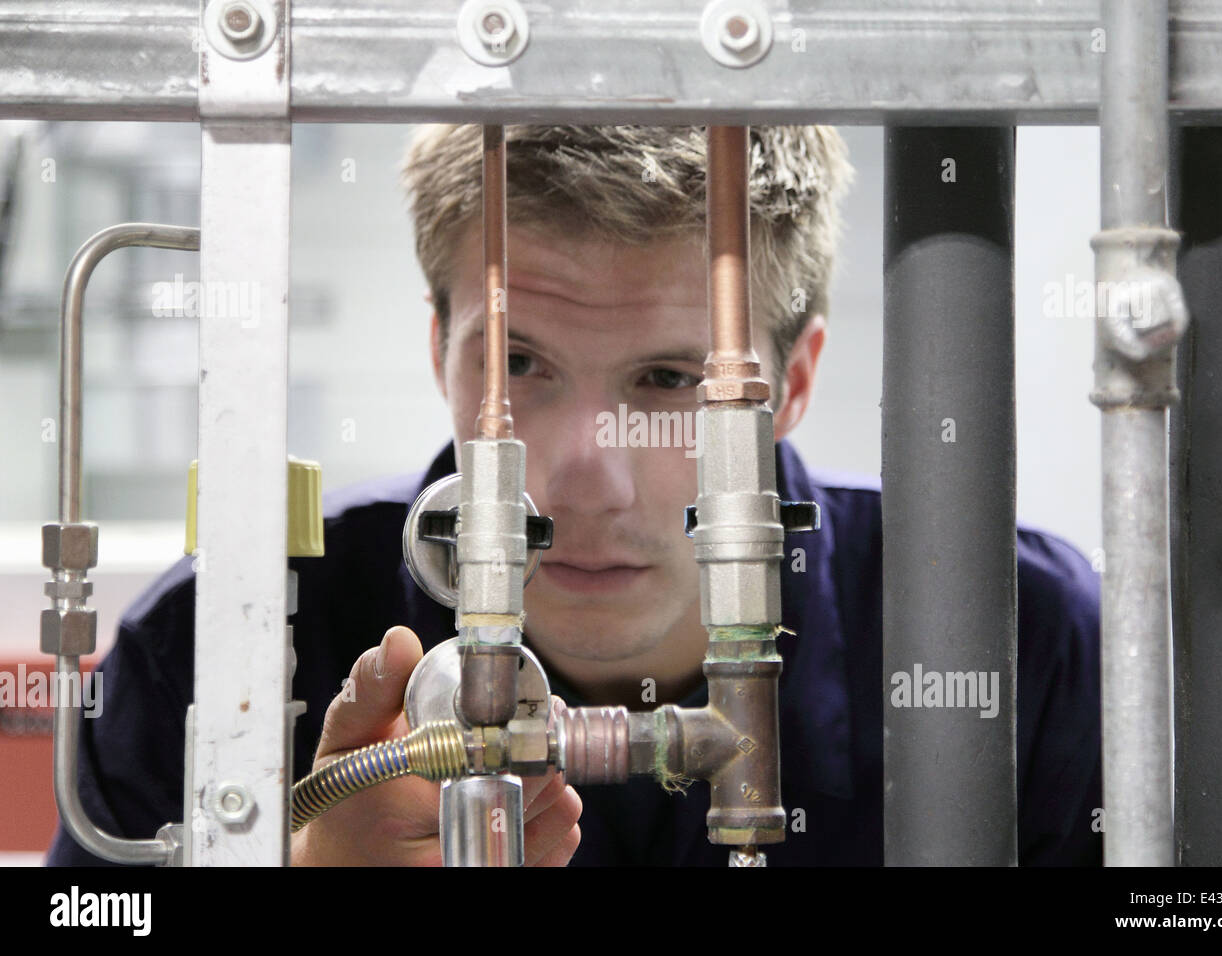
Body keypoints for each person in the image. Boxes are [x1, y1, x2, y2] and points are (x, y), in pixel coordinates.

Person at [47, 124, 1102, 867]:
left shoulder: (1025, 636)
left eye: (670, 379)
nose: (586, 474)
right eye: (520, 361)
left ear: (797, 381)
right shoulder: (217, 635)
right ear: (438, 348)